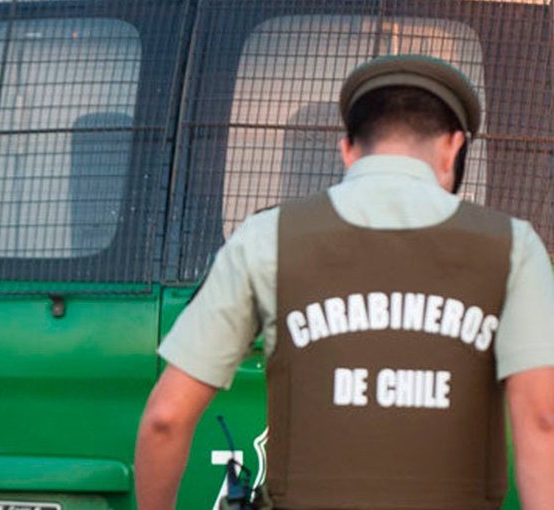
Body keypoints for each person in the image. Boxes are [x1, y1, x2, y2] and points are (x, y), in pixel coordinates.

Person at [135, 54, 554, 510]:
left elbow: (166, 418)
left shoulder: (267, 238)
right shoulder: (513, 247)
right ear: (454, 147)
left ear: (348, 150)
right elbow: (543, 419)